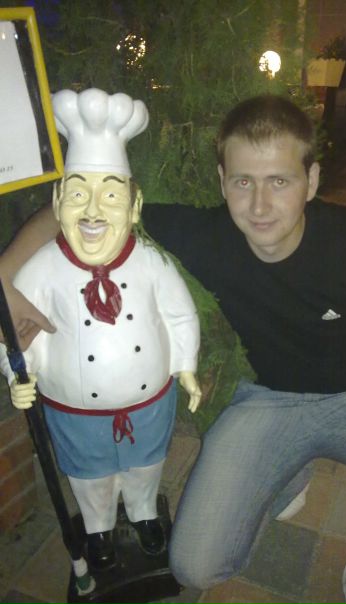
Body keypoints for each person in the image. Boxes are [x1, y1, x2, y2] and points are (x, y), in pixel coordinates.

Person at [0, 95, 346, 603]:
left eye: (279, 181)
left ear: (312, 181)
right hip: (265, 404)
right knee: (195, 565)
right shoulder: (207, 235)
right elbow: (63, 212)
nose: (259, 206)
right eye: (243, 182)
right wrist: (3, 276)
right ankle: (286, 470)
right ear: (222, 181)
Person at [0, 88, 201, 572]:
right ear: (58, 202)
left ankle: (144, 513)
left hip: (149, 405)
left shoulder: (152, 262)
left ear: (133, 205)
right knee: (89, 478)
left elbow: (180, 315)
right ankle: (98, 527)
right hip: (75, 413)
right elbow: (13, 331)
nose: (92, 212)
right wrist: (16, 375)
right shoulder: (41, 269)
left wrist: (186, 365)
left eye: (110, 196)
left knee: (145, 467)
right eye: (78, 195)